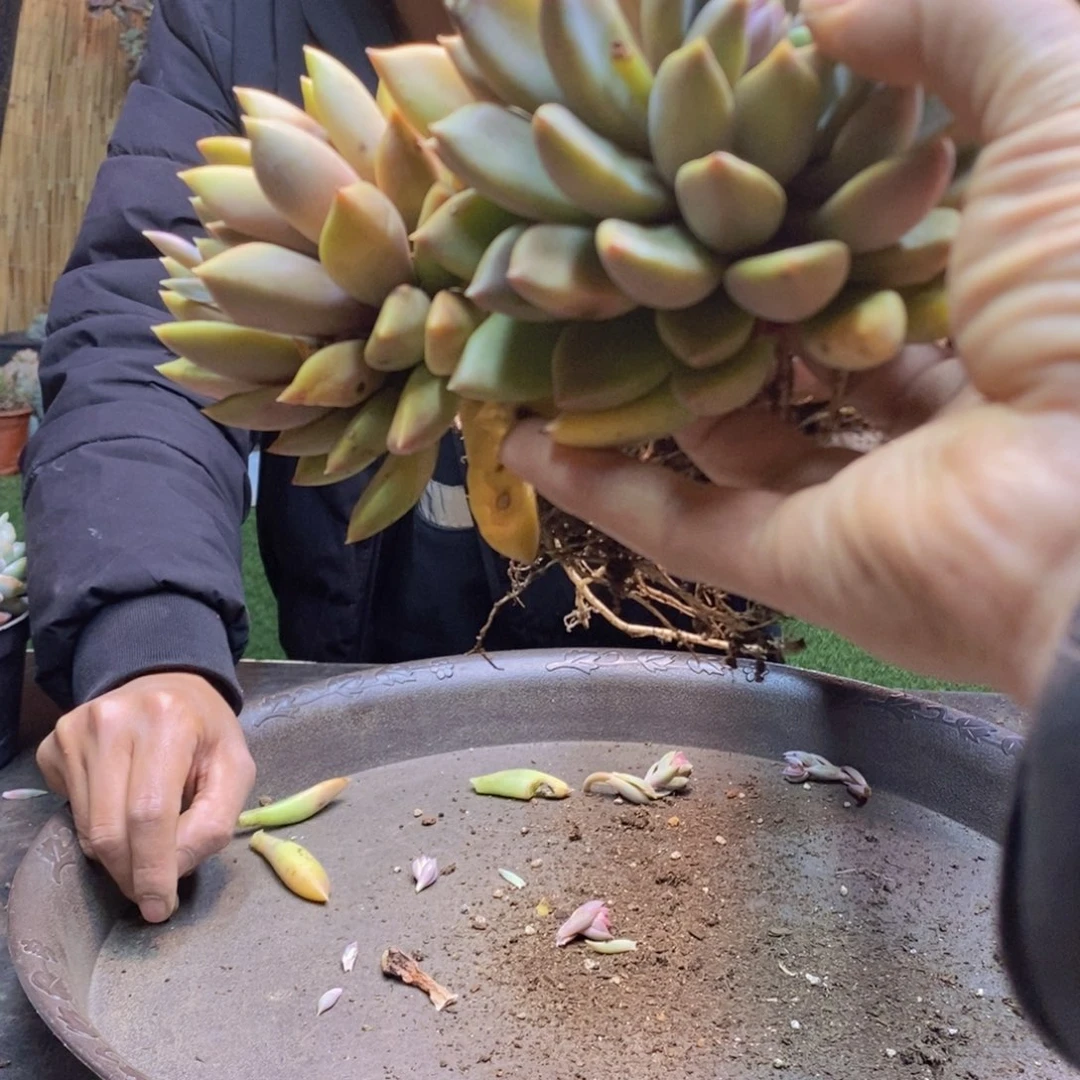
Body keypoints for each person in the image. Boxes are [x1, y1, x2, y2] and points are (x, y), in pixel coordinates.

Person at [22, 0, 1080, 1065]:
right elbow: (135, 327)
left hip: (719, 687)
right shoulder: (243, 21)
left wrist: (1050, 583)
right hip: (388, 641)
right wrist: (144, 627)